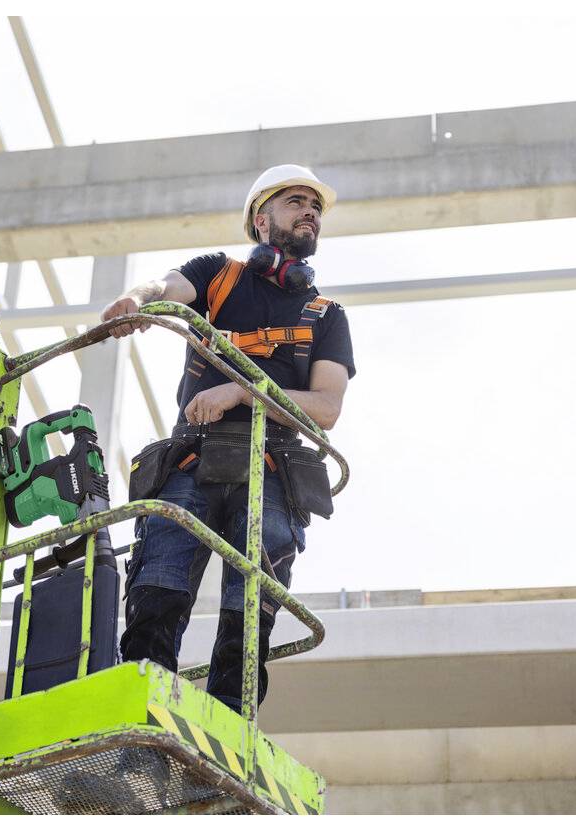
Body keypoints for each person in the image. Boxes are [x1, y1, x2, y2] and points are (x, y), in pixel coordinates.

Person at [99, 164, 355, 714]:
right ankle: (141, 723)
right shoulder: (217, 276)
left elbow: (326, 409)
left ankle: (229, 736)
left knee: (247, 624)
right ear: (261, 220)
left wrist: (243, 392)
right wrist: (136, 300)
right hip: (192, 460)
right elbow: (165, 287)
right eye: (295, 201)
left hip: (274, 471)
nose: (310, 211)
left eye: (316, 205)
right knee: (155, 597)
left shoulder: (326, 316)